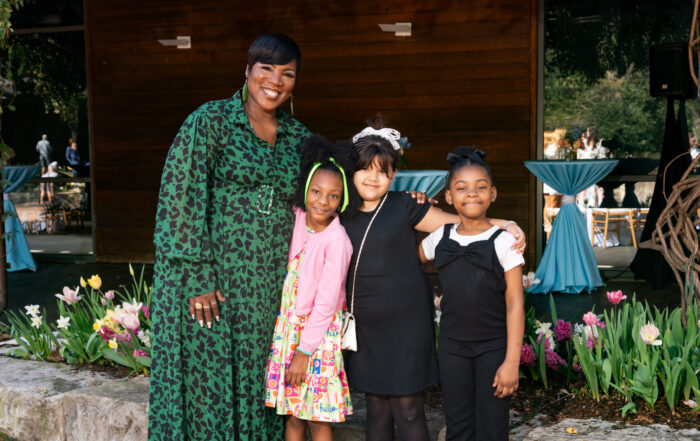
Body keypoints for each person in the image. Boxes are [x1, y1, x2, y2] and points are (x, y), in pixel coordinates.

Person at [148, 34, 310, 441]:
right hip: (210, 285)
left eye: (287, 73)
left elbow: (330, 195)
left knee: (258, 384)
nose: (275, 80)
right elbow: (179, 196)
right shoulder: (211, 121)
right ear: (248, 70)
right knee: (208, 387)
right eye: (266, 69)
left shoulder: (300, 138)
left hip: (266, 291)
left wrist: (409, 200)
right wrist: (198, 277)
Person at [340, 120, 525, 441]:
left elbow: (463, 220)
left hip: (407, 324)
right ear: (351, 171)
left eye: (383, 171)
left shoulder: (406, 204)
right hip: (365, 326)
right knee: (376, 407)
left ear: (394, 175)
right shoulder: (341, 208)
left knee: (408, 408)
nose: (373, 177)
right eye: (365, 169)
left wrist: (505, 223)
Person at [419, 147, 524, 441]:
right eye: (462, 188)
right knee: (458, 425)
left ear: (493, 193)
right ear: (449, 196)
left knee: (492, 426)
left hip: (494, 348)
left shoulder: (504, 242)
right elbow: (405, 262)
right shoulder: (439, 238)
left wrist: (512, 361)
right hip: (452, 348)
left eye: (480, 187)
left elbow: (515, 302)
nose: (472, 194)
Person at [265, 134, 354, 441]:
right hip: (289, 331)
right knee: (292, 414)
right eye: (316, 191)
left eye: (333, 195)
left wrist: (303, 352)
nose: (322, 201)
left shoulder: (337, 241)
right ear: (306, 189)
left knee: (316, 418)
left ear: (342, 199)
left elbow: (326, 304)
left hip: (316, 339)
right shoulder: (298, 217)